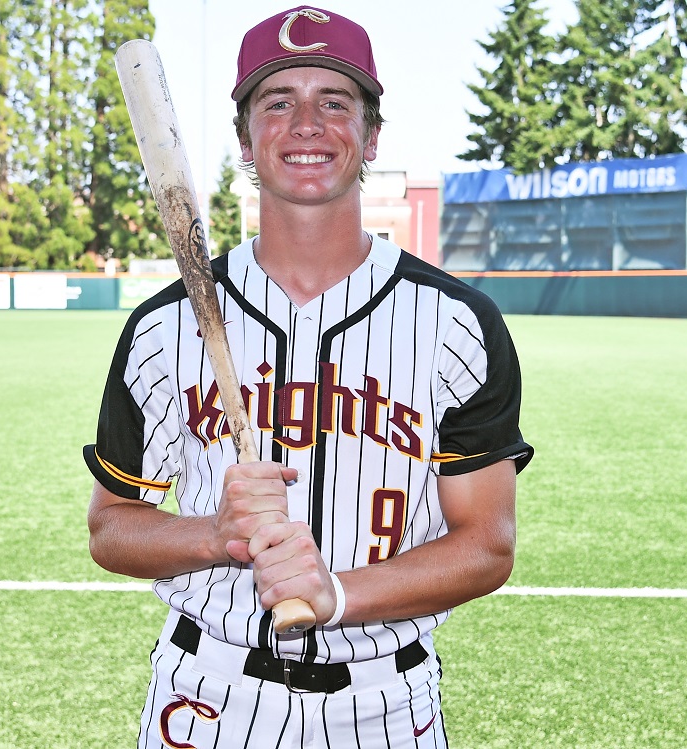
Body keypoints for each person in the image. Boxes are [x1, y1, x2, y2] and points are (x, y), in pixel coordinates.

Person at [84, 6, 533, 747]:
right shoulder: (162, 328)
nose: (306, 124)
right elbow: (110, 528)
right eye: (278, 102)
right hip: (207, 697)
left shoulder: (457, 323)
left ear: (372, 134)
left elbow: (487, 543)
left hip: (385, 701)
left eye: (334, 101)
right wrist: (214, 534)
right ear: (244, 140)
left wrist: (337, 595)